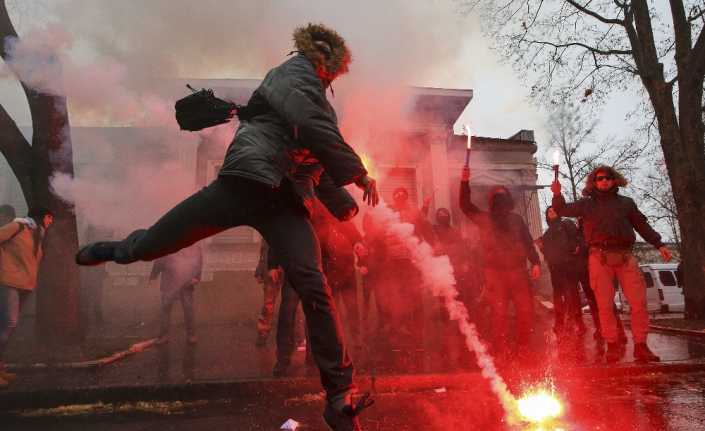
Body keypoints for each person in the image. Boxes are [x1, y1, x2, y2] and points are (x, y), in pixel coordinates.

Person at [75, 23, 378, 430]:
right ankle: (119, 250)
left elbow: (315, 164)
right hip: (244, 182)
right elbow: (308, 123)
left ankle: (338, 395)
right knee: (156, 243)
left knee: (313, 282)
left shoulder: (320, 105)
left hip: (284, 203)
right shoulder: (292, 75)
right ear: (319, 59)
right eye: (329, 67)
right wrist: (357, 171)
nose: (329, 75)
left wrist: (344, 206)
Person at [551, 165, 671, 363]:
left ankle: (641, 346)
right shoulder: (587, 205)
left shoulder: (626, 203)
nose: (604, 180)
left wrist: (659, 244)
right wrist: (557, 194)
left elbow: (642, 225)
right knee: (604, 305)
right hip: (600, 258)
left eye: (607, 177)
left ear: (614, 180)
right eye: (599, 178)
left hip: (625, 256)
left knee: (638, 304)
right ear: (594, 182)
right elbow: (562, 209)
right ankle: (613, 346)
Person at [459, 166, 541, 360]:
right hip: (495, 273)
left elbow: (527, 241)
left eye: (503, 195)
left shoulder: (516, 220)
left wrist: (535, 262)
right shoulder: (485, 219)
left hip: (518, 272)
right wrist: (464, 182)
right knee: (499, 313)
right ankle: (501, 348)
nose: (500, 199)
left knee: (525, 310)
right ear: (491, 201)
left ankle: (524, 346)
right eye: (497, 196)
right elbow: (465, 205)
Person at [0, 207, 54, 388]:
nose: (50, 221)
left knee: (7, 326)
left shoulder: (38, 234)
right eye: (49, 217)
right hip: (8, 282)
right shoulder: (18, 226)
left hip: (24, 285)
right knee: (8, 323)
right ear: (41, 216)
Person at [537, 207, 584, 336]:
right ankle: (560, 322)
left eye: (553, 210)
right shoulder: (546, 234)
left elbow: (576, 238)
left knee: (572, 294)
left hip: (569, 265)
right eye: (548, 212)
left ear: (558, 212)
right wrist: (541, 248)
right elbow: (547, 254)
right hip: (555, 268)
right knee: (558, 296)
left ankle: (578, 322)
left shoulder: (566, 223)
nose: (551, 213)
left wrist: (573, 249)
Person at [149, 243, 203, 344]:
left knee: (188, 309)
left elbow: (198, 262)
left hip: (187, 283)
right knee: (165, 309)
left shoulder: (194, 245)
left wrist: (196, 277)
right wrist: (153, 276)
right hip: (170, 282)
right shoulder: (168, 243)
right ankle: (164, 336)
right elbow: (160, 261)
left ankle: (191, 335)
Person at [254, 240, 285, 346]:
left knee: (291, 304)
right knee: (268, 304)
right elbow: (264, 252)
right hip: (273, 269)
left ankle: (296, 335)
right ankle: (263, 332)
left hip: (285, 268)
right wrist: (260, 270)